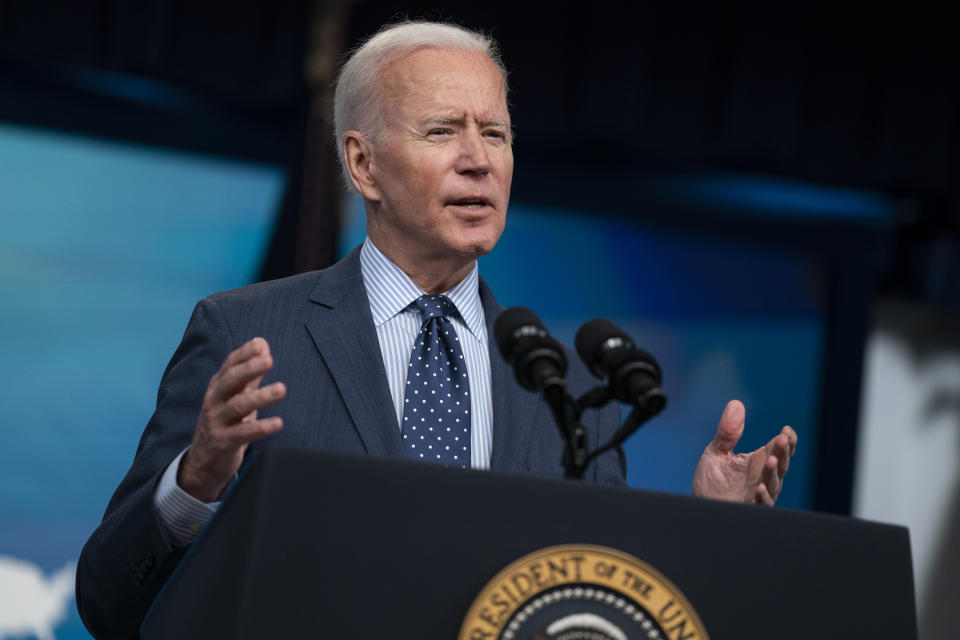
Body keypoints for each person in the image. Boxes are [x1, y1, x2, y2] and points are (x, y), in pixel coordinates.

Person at [76, 20, 797, 639]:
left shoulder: (571, 384)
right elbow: (111, 602)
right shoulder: (247, 331)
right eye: (443, 131)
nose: (479, 159)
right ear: (363, 165)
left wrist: (711, 532)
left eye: (496, 133)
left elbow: (594, 607)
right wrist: (196, 482)